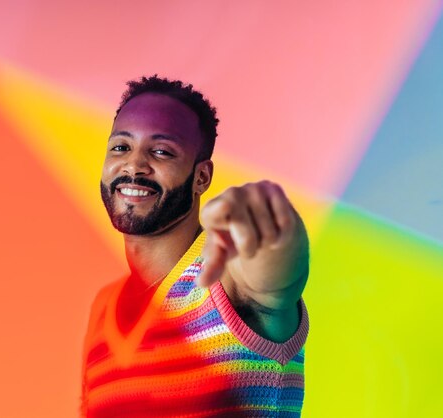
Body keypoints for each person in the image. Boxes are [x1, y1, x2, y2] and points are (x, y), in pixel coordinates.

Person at [81, 75, 310, 418]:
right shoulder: (103, 309)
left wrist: (275, 230)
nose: (134, 165)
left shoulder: (226, 275)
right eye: (121, 147)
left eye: (161, 151)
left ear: (201, 177)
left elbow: (275, 282)